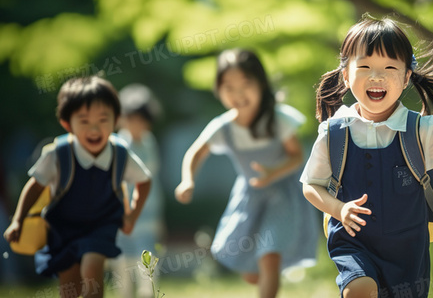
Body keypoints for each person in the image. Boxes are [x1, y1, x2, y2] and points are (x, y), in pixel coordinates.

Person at [300, 15, 433, 298]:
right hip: (353, 241)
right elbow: (310, 185)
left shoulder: (422, 130)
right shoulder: (334, 133)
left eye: (389, 67)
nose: (376, 77)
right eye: (364, 67)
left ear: (406, 78)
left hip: (408, 249)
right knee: (358, 289)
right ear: (345, 75)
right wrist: (338, 209)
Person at [175, 49, 318, 298]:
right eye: (228, 87)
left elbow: (297, 156)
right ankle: (264, 277)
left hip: (283, 197)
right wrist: (187, 180)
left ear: (261, 85)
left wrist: (274, 171)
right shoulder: (223, 127)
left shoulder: (278, 119)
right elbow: (195, 152)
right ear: (218, 89)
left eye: (245, 85)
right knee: (252, 271)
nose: (238, 94)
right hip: (249, 197)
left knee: (269, 255)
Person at [3, 76, 152, 298]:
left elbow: (144, 180)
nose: (94, 129)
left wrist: (131, 215)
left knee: (92, 269)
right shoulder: (57, 154)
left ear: (116, 120)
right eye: (84, 121)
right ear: (67, 123)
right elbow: (34, 186)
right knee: (69, 286)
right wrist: (18, 219)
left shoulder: (120, 154)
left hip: (101, 225)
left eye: (103, 120)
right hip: (63, 229)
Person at [113, 83, 165, 298]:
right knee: (122, 262)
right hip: (123, 215)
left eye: (142, 120)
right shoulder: (117, 144)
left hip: (149, 214)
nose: (138, 125)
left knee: (148, 261)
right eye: (133, 118)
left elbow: (153, 179)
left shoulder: (149, 142)